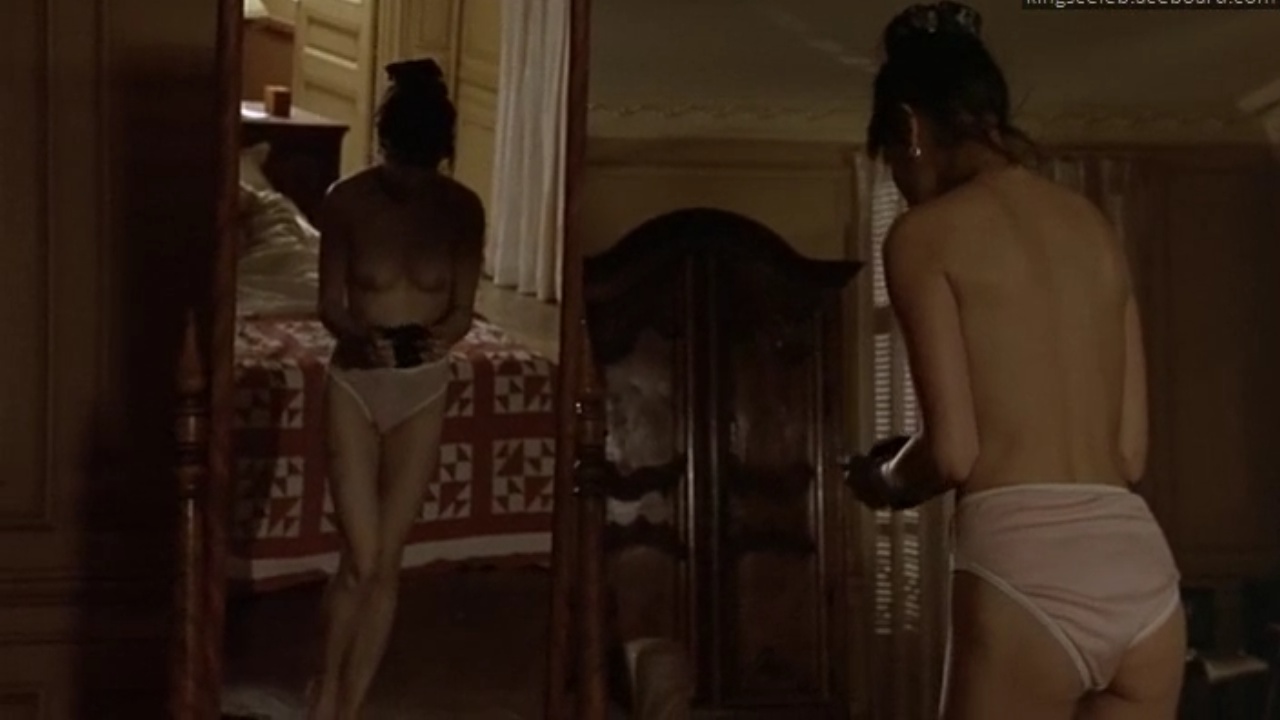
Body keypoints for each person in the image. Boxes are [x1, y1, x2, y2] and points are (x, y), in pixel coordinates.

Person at [845, 4, 1185, 719]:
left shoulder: (922, 235)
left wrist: (884, 480)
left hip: (1028, 575)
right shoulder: (1095, 228)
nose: (900, 180)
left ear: (909, 126)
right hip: (1140, 572)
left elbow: (955, 451)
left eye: (892, 159)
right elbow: (1130, 453)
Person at [307, 58, 485, 720]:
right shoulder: (345, 203)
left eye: (423, 169)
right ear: (383, 146)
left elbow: (461, 310)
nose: (409, 182)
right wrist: (361, 337)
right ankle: (324, 694)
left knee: (386, 564)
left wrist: (441, 339)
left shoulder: (462, 210)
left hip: (422, 389)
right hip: (356, 385)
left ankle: (350, 708)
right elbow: (329, 305)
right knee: (360, 557)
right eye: (399, 167)